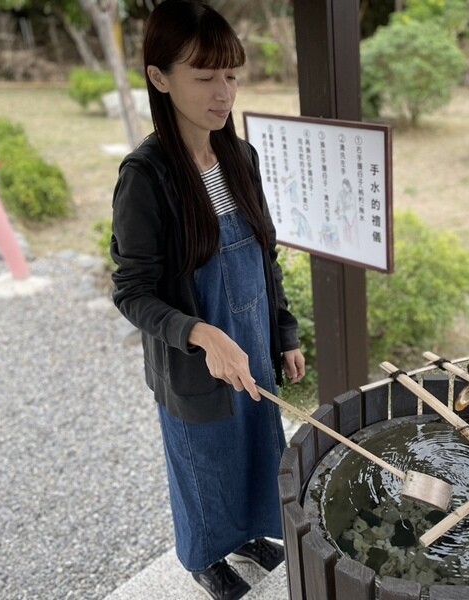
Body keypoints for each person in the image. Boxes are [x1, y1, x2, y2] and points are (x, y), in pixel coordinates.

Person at [110, 1, 305, 598]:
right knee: (202, 465)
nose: (223, 93)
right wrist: (201, 333)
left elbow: (264, 259)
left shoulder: (239, 158)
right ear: (159, 77)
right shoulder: (145, 177)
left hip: (251, 347)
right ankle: (203, 555)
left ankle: (246, 533)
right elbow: (132, 291)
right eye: (204, 76)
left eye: (231, 75)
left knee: (254, 447)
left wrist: (285, 333)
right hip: (195, 360)